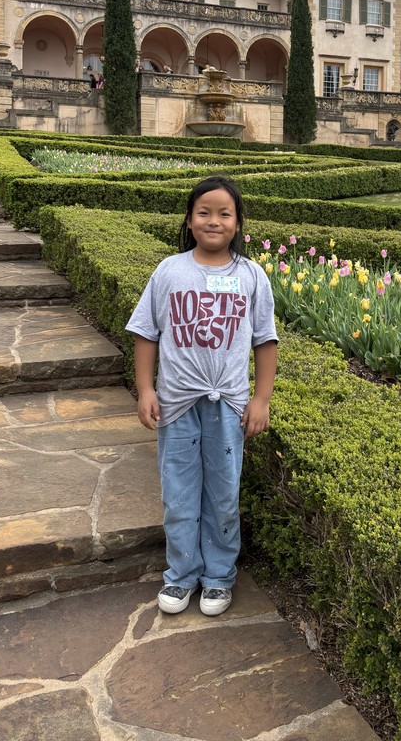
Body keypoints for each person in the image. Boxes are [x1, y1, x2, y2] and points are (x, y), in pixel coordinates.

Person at [127, 176, 278, 617]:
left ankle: (217, 577)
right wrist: (146, 389)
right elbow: (146, 333)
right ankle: (181, 575)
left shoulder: (251, 276)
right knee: (178, 493)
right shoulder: (169, 271)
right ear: (190, 221)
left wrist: (261, 399)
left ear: (238, 223)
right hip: (177, 406)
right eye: (204, 212)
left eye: (224, 213)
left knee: (224, 494)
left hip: (228, 406)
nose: (214, 220)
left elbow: (265, 341)